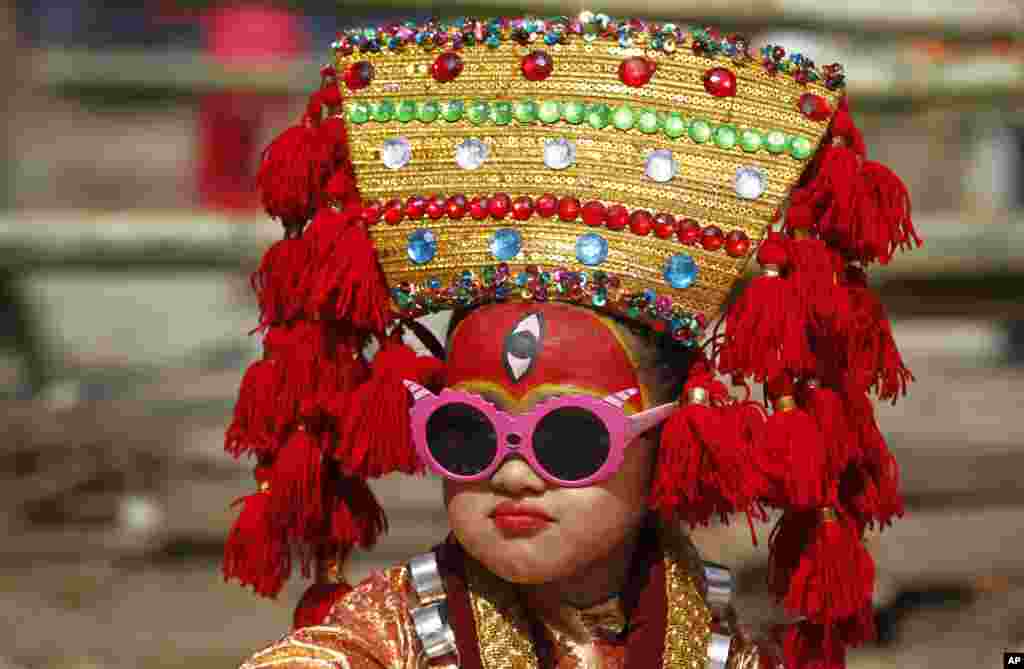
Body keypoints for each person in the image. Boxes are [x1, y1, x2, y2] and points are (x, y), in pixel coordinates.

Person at [223, 13, 921, 669]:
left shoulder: (718, 649)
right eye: (465, 431)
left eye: (570, 437)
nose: (514, 473)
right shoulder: (375, 645)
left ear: (671, 443)